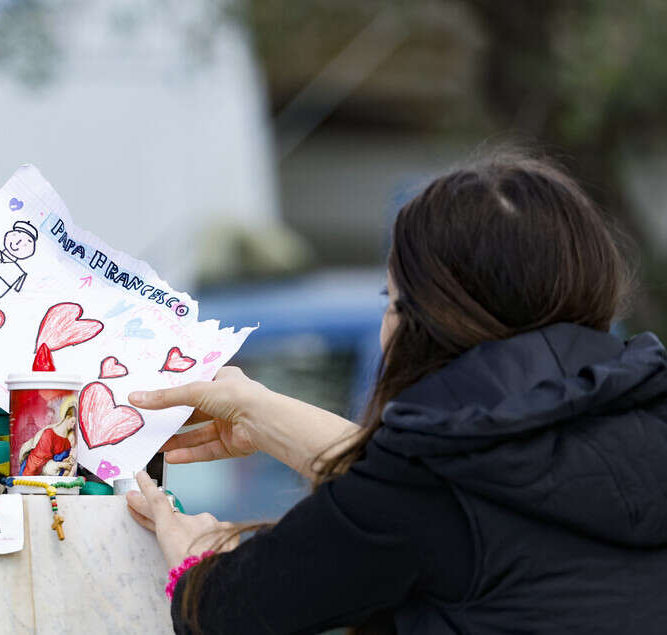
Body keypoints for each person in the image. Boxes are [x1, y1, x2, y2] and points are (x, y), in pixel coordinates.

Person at [126, 155, 667, 634]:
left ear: (430, 320)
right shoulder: (645, 417)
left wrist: (194, 563)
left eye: (393, 299)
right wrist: (258, 411)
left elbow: (228, 612)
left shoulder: (428, 479)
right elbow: (456, 491)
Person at [17, 400, 77, 476]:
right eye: (72, 421)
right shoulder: (49, 434)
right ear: (67, 417)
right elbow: (39, 463)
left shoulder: (68, 441)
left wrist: (67, 461)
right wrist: (61, 465)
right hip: (34, 473)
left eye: (75, 423)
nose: (73, 425)